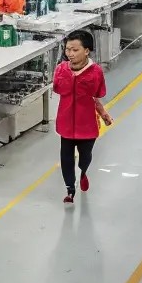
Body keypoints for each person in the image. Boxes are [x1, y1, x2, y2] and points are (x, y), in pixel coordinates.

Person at [52, 29, 112, 204]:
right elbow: (57, 89)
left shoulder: (96, 72)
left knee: (85, 156)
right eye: (68, 49)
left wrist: (104, 114)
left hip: (87, 124)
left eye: (75, 50)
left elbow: (97, 95)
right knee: (66, 158)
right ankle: (70, 189)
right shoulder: (61, 70)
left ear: (87, 51)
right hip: (66, 123)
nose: (70, 54)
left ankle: (83, 172)